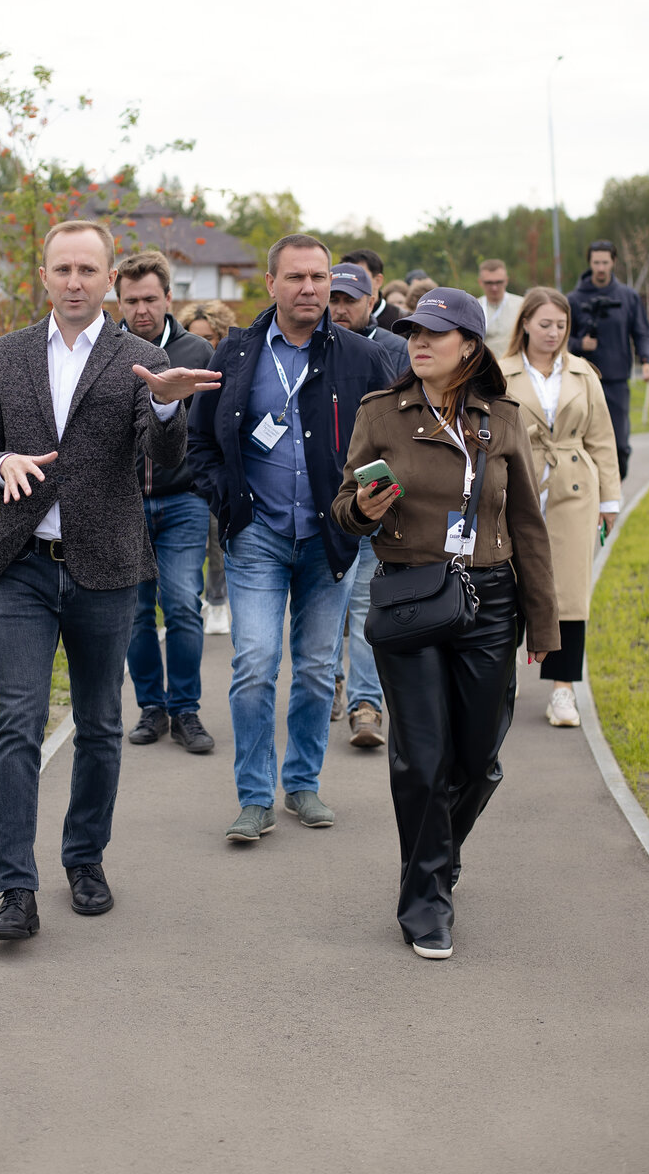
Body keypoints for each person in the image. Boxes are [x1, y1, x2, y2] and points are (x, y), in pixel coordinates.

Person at [0, 220, 220, 940]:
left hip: (106, 569)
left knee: (101, 725)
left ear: (109, 280)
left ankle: (84, 859)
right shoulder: (5, 356)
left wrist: (167, 402)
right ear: (42, 277)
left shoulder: (139, 358)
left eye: (87, 269)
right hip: (22, 570)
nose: (74, 281)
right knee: (16, 723)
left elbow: (164, 456)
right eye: (61, 268)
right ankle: (14, 887)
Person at [332, 287, 559, 960]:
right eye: (412, 331)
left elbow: (528, 527)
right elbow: (343, 506)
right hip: (410, 597)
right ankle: (427, 900)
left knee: (479, 761)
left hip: (490, 601)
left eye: (434, 332)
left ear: (469, 345)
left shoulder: (501, 419)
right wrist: (362, 511)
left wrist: (544, 626)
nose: (418, 341)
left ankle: (436, 853)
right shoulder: (382, 414)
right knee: (423, 758)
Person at [187, 234, 392, 842]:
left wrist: (370, 505)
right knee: (254, 664)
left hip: (332, 539)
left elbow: (389, 440)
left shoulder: (360, 357)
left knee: (313, 669)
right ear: (272, 284)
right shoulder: (236, 354)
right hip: (258, 536)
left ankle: (302, 785)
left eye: (319, 278)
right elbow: (201, 441)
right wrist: (223, 498)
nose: (309, 288)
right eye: (296, 277)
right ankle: (255, 796)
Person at [501, 288, 621, 727]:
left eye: (561, 325)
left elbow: (603, 440)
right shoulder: (500, 371)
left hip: (573, 489)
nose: (554, 333)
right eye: (545, 324)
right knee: (507, 582)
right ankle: (498, 683)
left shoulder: (583, 373)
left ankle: (563, 691)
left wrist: (610, 500)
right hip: (517, 486)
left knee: (569, 590)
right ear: (526, 323)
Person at [115, 252, 217, 754]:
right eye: (131, 300)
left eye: (150, 299)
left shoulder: (195, 349)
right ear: (119, 300)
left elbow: (213, 423)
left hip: (183, 499)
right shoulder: (106, 351)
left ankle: (186, 710)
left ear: (168, 297)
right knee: (135, 612)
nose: (141, 309)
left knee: (181, 604)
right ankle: (151, 708)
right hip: (126, 501)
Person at [328, 262, 404, 746]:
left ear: (370, 299)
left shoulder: (394, 349)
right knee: (326, 608)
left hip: (372, 500)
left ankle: (366, 705)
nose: (339, 309)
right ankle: (331, 682)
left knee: (365, 607)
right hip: (320, 506)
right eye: (332, 299)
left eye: (348, 300)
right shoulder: (307, 348)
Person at [567, 240, 649, 479]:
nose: (601, 267)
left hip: (616, 380)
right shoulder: (573, 299)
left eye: (605, 262)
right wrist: (578, 344)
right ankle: (588, 494)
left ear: (613, 262)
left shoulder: (628, 296)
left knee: (619, 444)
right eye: (596, 262)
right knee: (583, 441)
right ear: (590, 263)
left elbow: (642, 331)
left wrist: (647, 360)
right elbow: (560, 338)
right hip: (581, 381)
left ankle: (615, 490)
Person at [176, 299, 238, 636]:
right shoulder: (180, 368)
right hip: (184, 472)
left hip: (216, 469)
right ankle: (200, 598)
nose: (204, 343)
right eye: (196, 335)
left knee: (217, 541)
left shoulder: (232, 368)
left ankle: (217, 600)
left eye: (210, 336)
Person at [340, 248, 401, 330]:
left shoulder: (401, 321)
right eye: (346, 276)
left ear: (378, 281)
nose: (351, 282)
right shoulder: (330, 319)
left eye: (359, 277)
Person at [477, 259, 523, 360]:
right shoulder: (475, 307)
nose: (494, 288)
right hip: (485, 367)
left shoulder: (521, 305)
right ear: (480, 282)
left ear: (506, 280)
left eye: (499, 282)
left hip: (514, 365)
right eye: (489, 283)